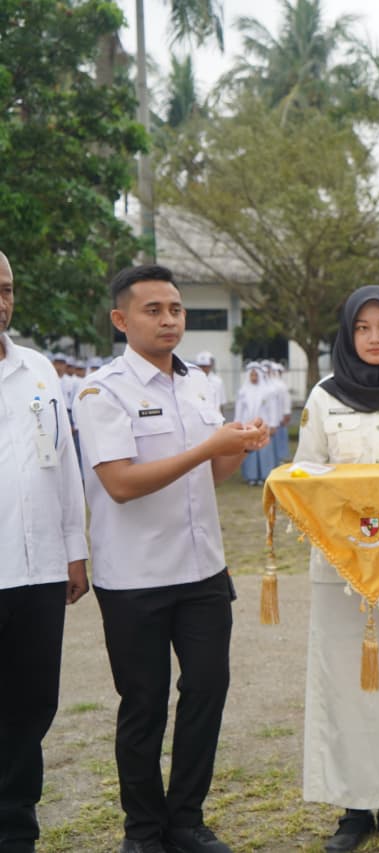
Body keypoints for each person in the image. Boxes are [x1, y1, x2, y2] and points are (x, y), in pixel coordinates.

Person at [75, 265, 269, 853]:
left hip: (204, 569)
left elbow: (213, 473)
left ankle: (186, 819)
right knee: (144, 705)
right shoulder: (102, 390)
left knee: (206, 692)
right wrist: (207, 446)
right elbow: (122, 484)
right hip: (135, 577)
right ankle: (144, 828)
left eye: (176, 310)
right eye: (153, 310)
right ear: (121, 319)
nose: (168, 320)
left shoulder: (198, 384)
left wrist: (238, 446)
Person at [293, 286, 379, 853]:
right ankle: (352, 808)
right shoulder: (324, 398)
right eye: (362, 329)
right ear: (347, 337)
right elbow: (305, 475)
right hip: (341, 569)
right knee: (346, 684)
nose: (374, 338)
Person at [0, 250, 90, 853]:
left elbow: (61, 465)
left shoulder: (37, 370)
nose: (1, 301)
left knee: (31, 704)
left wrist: (73, 550)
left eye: (6, 288)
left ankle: (16, 828)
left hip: (36, 572)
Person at [236, 362, 275, 485]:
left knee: (263, 450)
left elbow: (271, 408)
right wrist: (238, 423)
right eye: (251, 375)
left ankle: (265, 475)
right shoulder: (243, 391)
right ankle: (251, 476)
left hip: (264, 425)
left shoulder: (267, 391)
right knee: (250, 450)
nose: (254, 377)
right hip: (247, 425)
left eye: (255, 375)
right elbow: (239, 409)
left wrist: (273, 424)